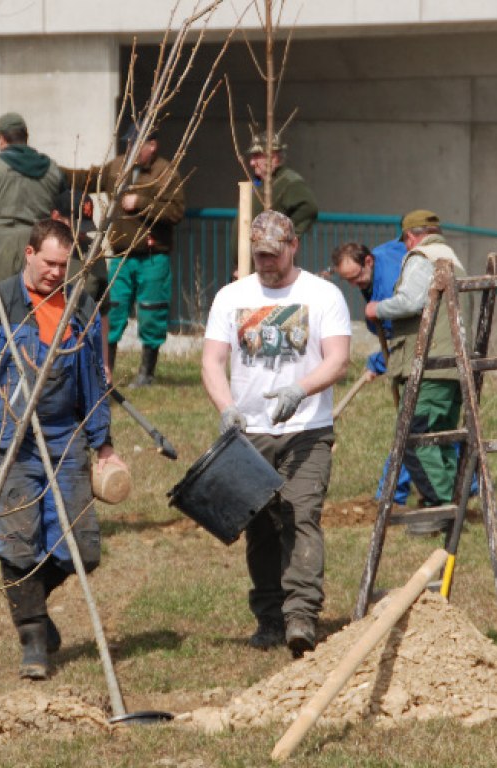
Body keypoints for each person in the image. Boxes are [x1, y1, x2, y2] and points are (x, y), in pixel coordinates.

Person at [0, 218, 124, 680]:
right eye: (48, 263)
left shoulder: (81, 307)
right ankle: (33, 639)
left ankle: (31, 605)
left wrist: (103, 445)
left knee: (81, 550)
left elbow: (95, 381)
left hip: (65, 436)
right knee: (18, 542)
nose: (55, 273)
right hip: (9, 439)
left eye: (64, 266)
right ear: (29, 254)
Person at [202, 210, 351, 658]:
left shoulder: (322, 294)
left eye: (274, 254)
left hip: (307, 429)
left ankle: (302, 615)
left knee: (300, 515)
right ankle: (269, 616)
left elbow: (338, 358)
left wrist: (300, 389)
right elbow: (212, 361)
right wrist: (227, 407)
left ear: (293, 246)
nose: (266, 263)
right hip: (250, 433)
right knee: (261, 527)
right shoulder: (232, 296)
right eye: (259, 255)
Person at [365, 210, 471, 535]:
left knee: (414, 437)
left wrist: (377, 308)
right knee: (440, 438)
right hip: (453, 365)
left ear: (411, 236)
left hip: (429, 364)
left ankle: (438, 508)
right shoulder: (452, 257)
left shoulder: (420, 256)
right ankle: (451, 505)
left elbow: (411, 301)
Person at [63, 124, 185, 387]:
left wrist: (142, 204)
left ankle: (146, 373)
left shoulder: (166, 173)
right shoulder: (117, 167)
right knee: (112, 311)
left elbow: (176, 212)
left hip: (153, 256)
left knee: (152, 312)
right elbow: (88, 179)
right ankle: (107, 370)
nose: (130, 149)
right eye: (128, 144)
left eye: (136, 144)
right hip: (119, 256)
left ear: (152, 145)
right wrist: (54, 172)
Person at [332, 240, 413, 506]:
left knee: (412, 426)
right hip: (410, 347)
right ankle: (468, 484)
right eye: (349, 281)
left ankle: (389, 496)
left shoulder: (390, 284)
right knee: (427, 426)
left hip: (423, 349)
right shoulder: (378, 259)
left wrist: (380, 362)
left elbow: (407, 336)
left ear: (368, 261)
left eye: (357, 278)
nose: (355, 285)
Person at [0, 112, 64, 283]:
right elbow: (64, 204)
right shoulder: (52, 170)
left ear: (1, 138)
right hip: (37, 244)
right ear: (26, 137)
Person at [50, 188, 111, 381]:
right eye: (76, 226)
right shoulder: (39, 253)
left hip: (83, 350)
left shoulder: (93, 251)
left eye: (85, 226)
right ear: (56, 217)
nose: (82, 234)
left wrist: (105, 364)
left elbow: (101, 312)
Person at [244, 131, 318, 237]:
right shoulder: (259, 182)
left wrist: (281, 233)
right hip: (248, 252)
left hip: (267, 251)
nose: (251, 162)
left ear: (273, 157)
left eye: (256, 156)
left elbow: (310, 208)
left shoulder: (287, 181)